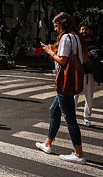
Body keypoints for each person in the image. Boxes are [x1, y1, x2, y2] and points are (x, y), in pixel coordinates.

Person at [36, 12, 89, 165]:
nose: (55, 28)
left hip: (65, 83)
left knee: (70, 118)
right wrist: (53, 48)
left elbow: (63, 61)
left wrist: (50, 52)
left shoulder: (66, 37)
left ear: (63, 24)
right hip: (72, 82)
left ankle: (79, 154)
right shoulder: (76, 37)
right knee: (54, 110)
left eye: (56, 25)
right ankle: (48, 144)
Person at [76, 21, 103, 126]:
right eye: (82, 29)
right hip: (78, 73)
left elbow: (101, 56)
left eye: (86, 29)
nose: (84, 31)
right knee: (75, 96)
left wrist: (90, 54)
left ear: (90, 31)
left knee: (89, 97)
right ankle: (71, 116)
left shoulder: (95, 43)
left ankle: (87, 118)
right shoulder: (77, 41)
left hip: (90, 74)